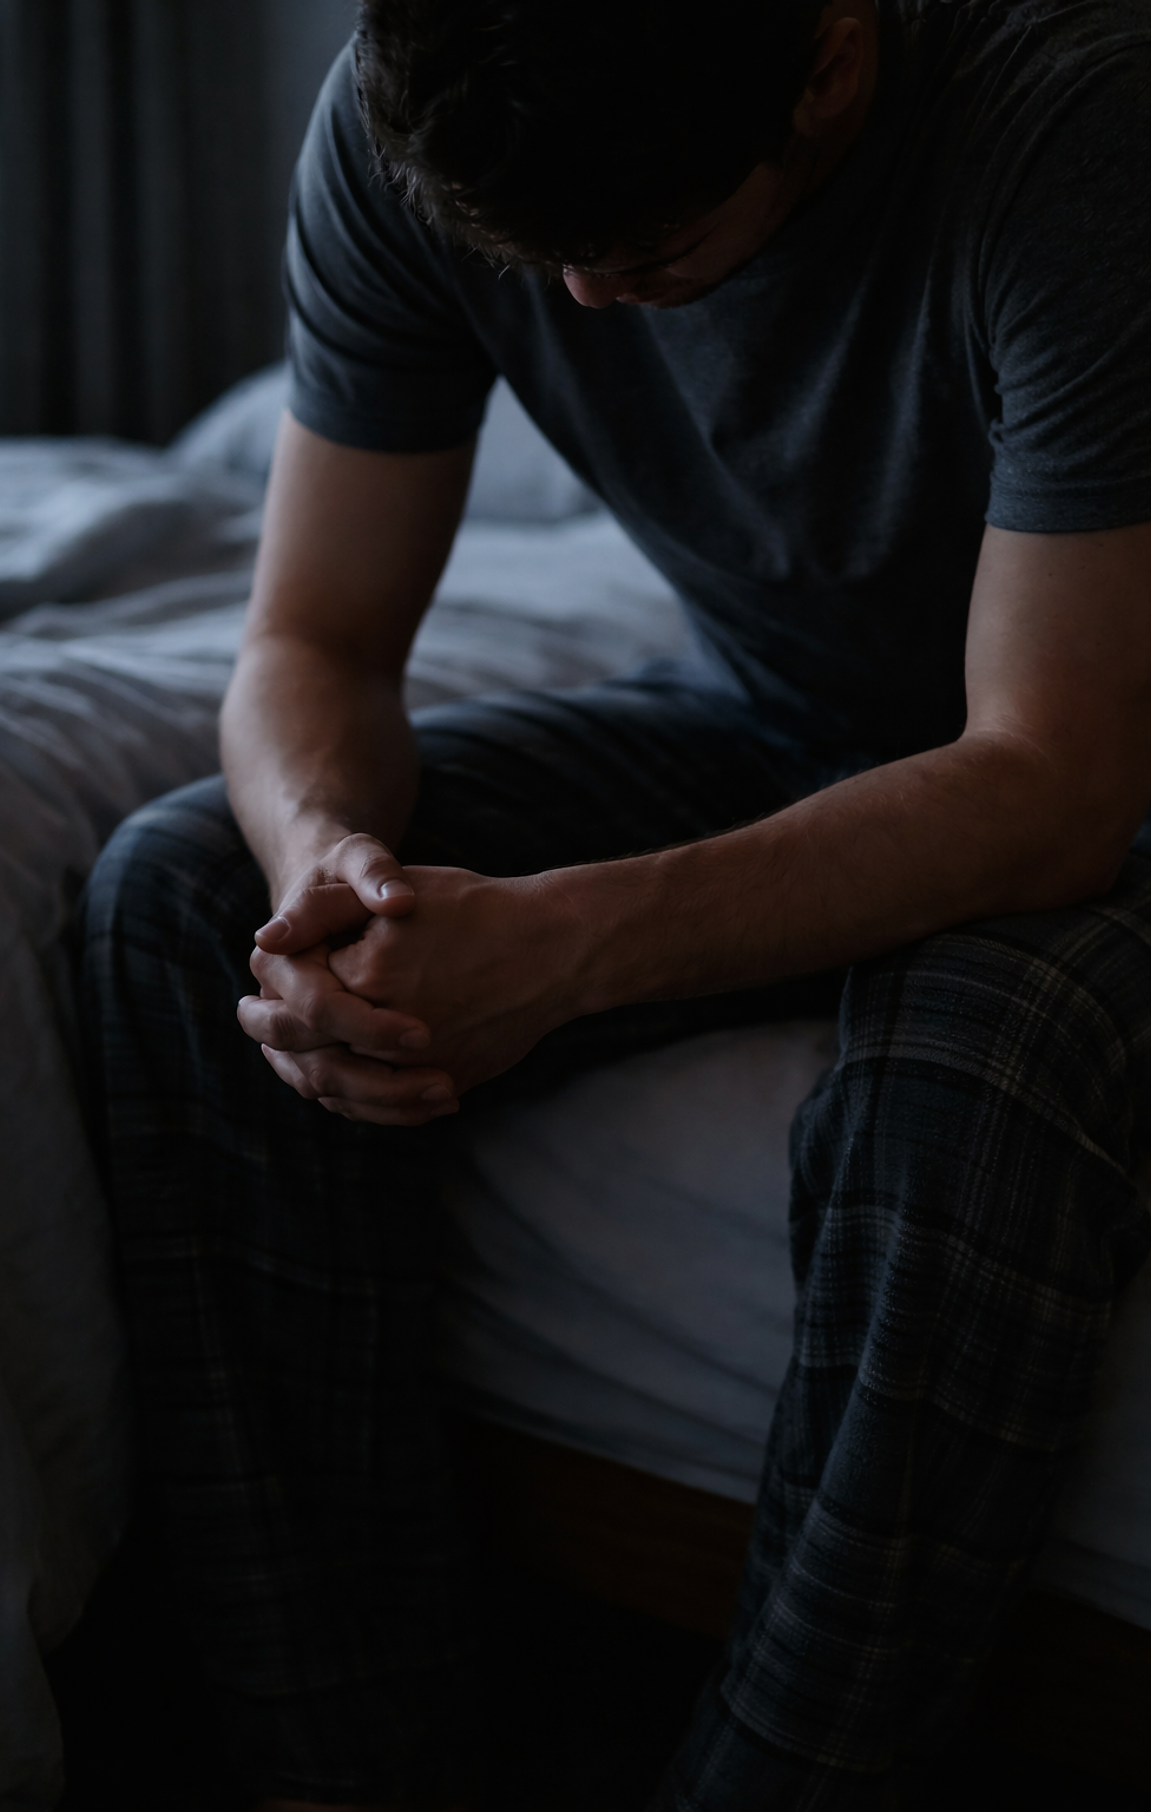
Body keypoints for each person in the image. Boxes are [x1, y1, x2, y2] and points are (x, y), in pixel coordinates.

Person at [80, 0, 1151, 1804]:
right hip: (780, 717)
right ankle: (349, 1768)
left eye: (647, 250)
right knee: (188, 904)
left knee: (972, 1058)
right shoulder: (421, 119)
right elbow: (313, 641)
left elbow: (1049, 786)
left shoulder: (1078, 130)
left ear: (829, 60)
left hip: (1105, 767)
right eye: (541, 259)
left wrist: (572, 946)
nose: (582, 301)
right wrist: (330, 864)